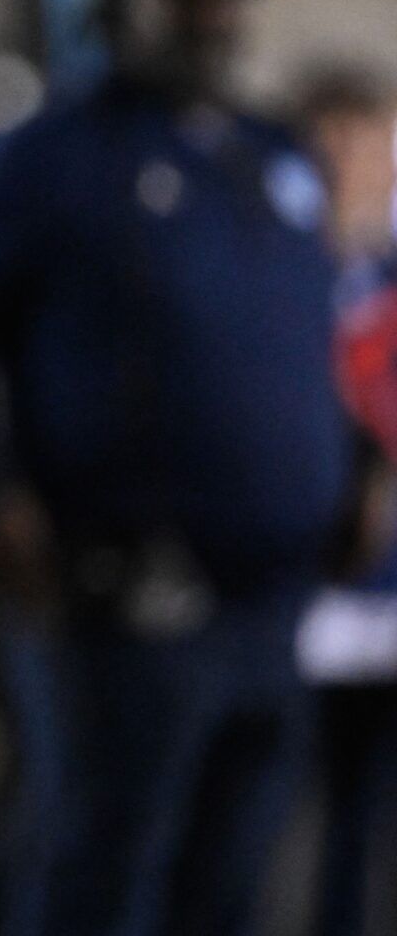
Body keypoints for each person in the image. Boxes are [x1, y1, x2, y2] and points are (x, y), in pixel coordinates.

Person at [0, 0, 355, 936]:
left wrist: (359, 458)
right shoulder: (57, 153)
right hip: (126, 600)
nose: (211, 13)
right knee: (102, 880)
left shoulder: (272, 154)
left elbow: (294, 341)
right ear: (123, 2)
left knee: (235, 889)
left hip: (275, 604)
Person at [294, 63, 397, 936]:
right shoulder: (269, 274)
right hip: (294, 597)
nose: (353, 161)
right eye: (333, 141)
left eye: (370, 141)